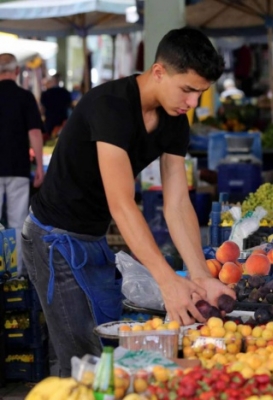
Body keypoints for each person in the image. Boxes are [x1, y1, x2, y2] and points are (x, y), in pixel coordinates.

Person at [22, 28, 234, 377]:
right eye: (188, 89)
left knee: (106, 347)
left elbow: (177, 202)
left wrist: (200, 274)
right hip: (52, 238)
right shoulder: (111, 106)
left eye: (200, 93)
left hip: (93, 237)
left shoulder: (175, 118)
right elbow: (121, 204)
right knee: (80, 355)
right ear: (159, 72)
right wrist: (167, 280)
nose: (193, 103)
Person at [0, 53, 44, 277]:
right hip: (18, 167)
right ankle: (15, 273)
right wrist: (39, 166)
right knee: (17, 222)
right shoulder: (25, 97)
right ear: (16, 71)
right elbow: (35, 132)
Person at [40, 74, 72, 140]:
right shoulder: (65, 92)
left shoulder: (45, 94)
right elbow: (69, 106)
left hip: (49, 122)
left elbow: (42, 109)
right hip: (63, 122)